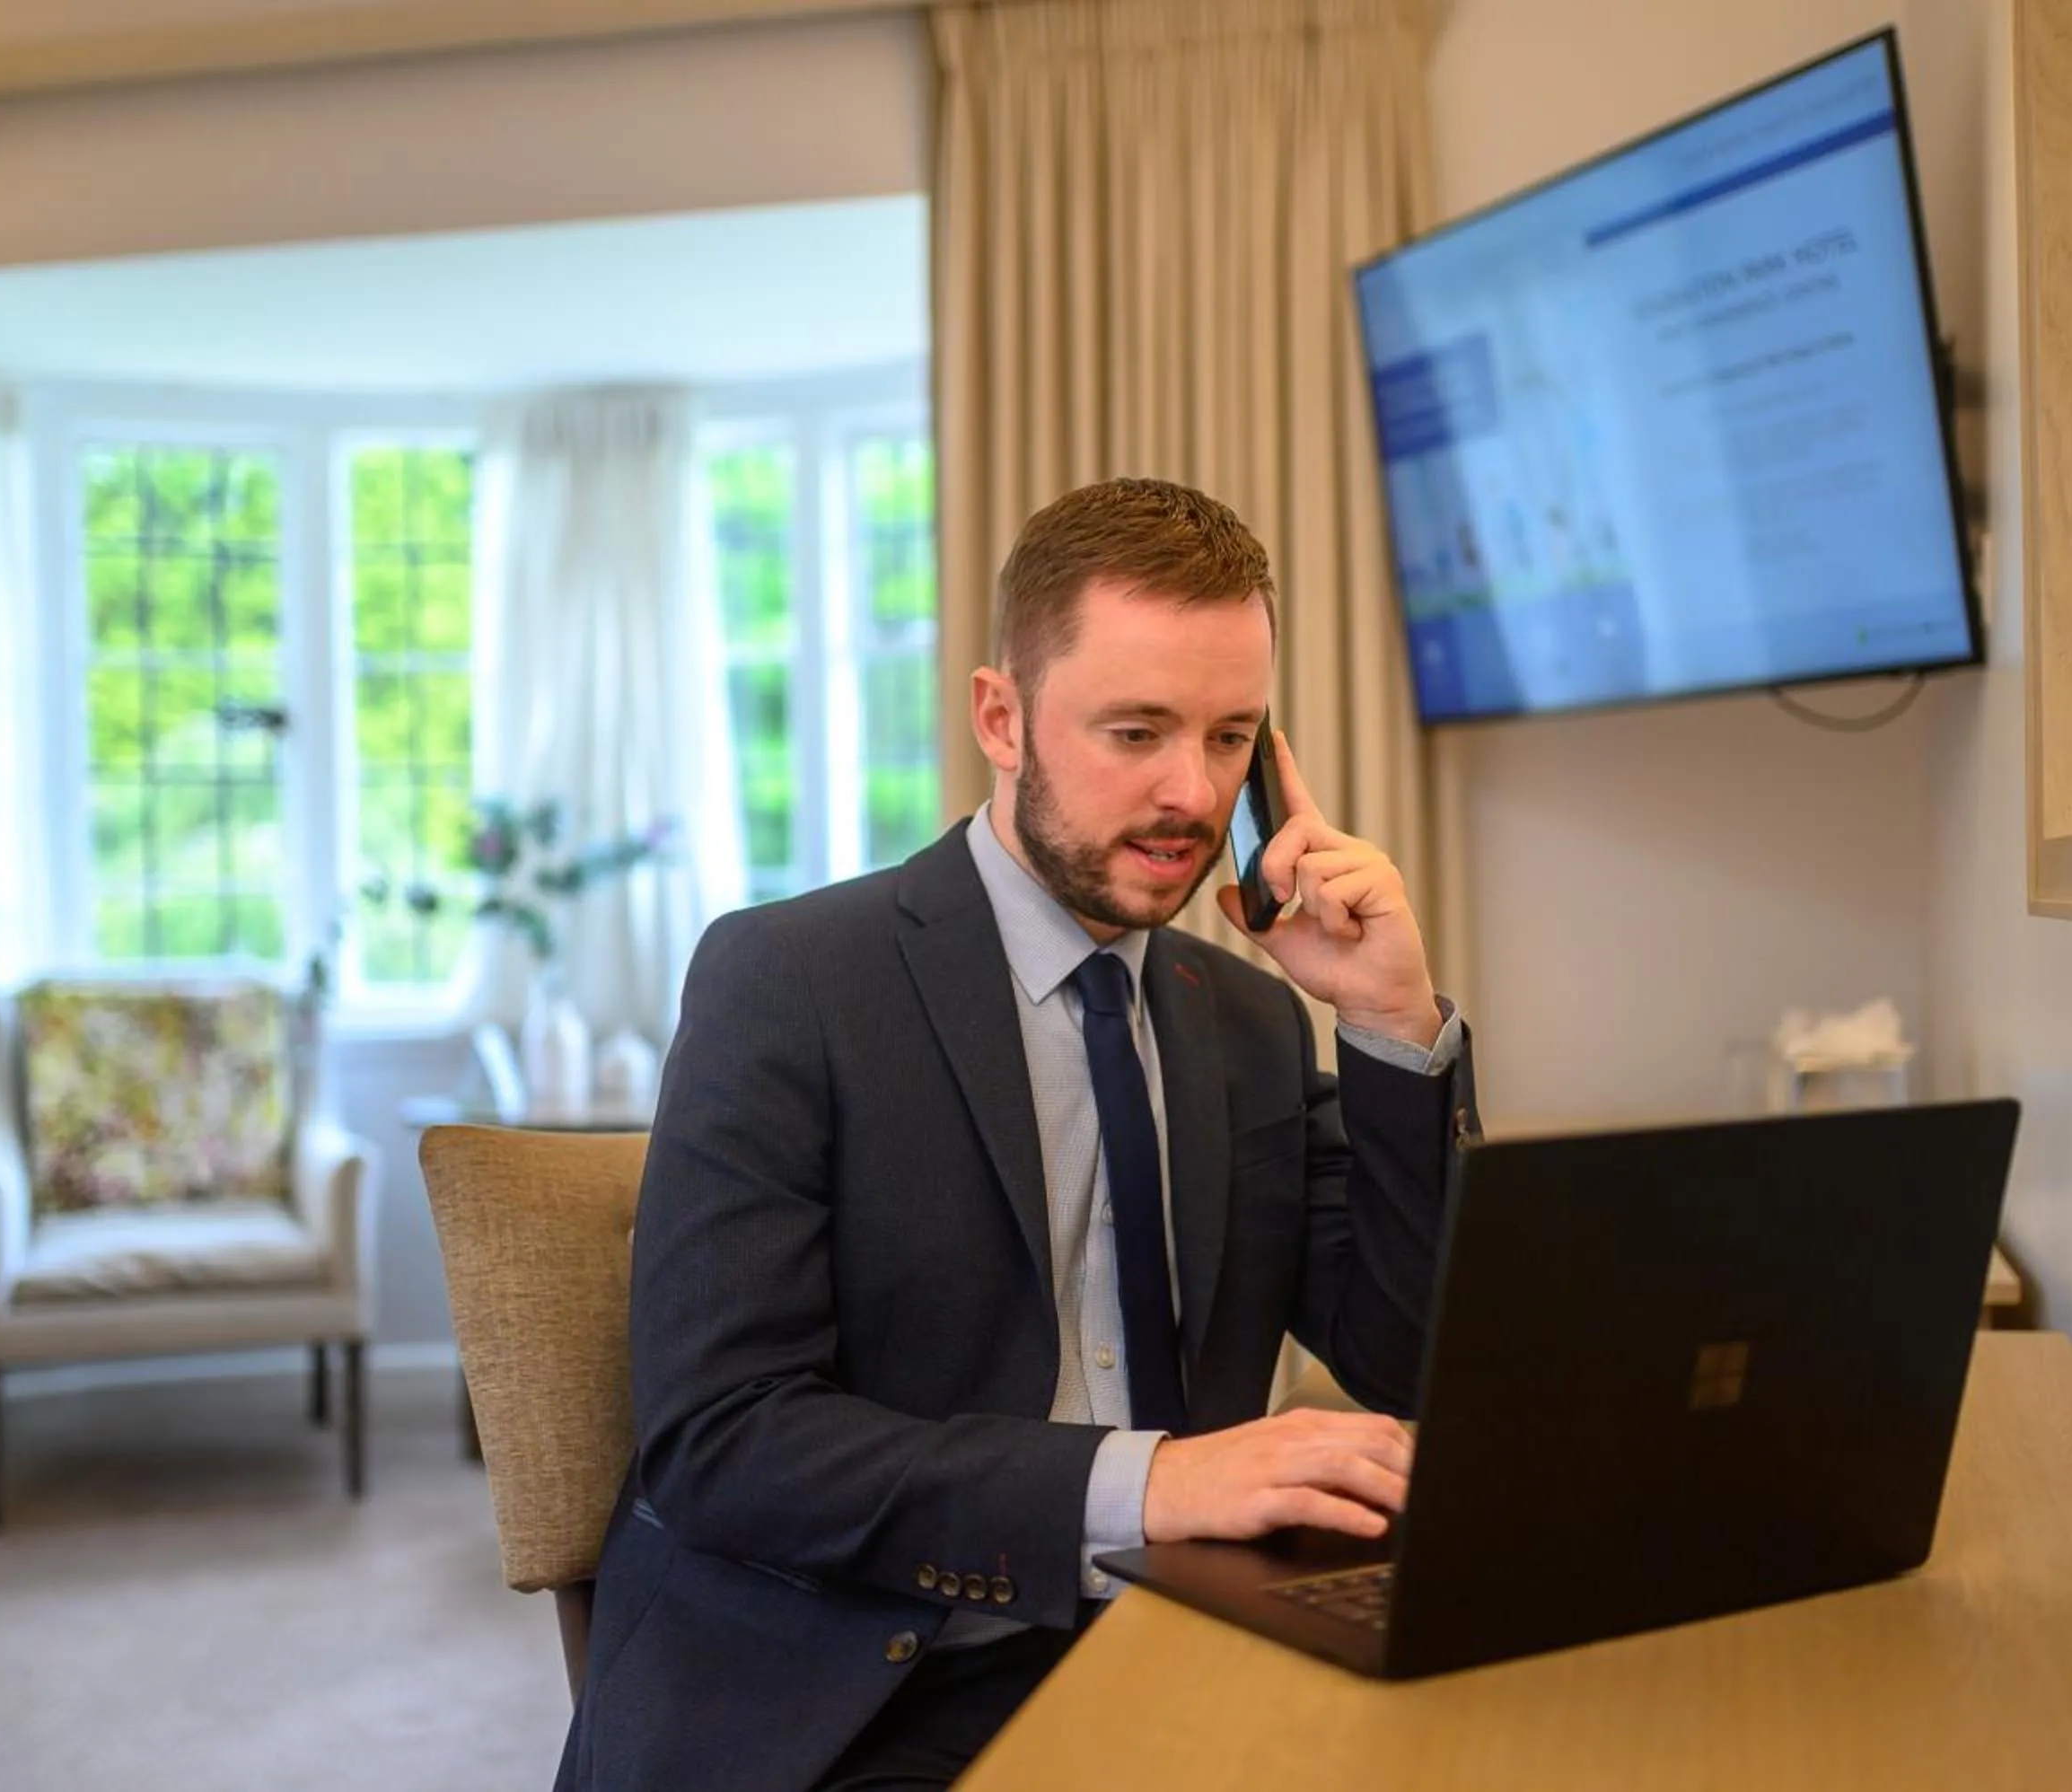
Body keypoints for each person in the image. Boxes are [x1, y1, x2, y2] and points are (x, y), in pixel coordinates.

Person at [556, 479, 1477, 1792]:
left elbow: (1415, 1358)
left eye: (1230, 737)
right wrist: (1144, 1486)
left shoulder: (1251, 1025)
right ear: (1002, 718)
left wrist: (1390, 1021)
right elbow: (725, 1443)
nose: (1190, 791)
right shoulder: (793, 980)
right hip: (870, 1691)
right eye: (1136, 731)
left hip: (1189, 1642)